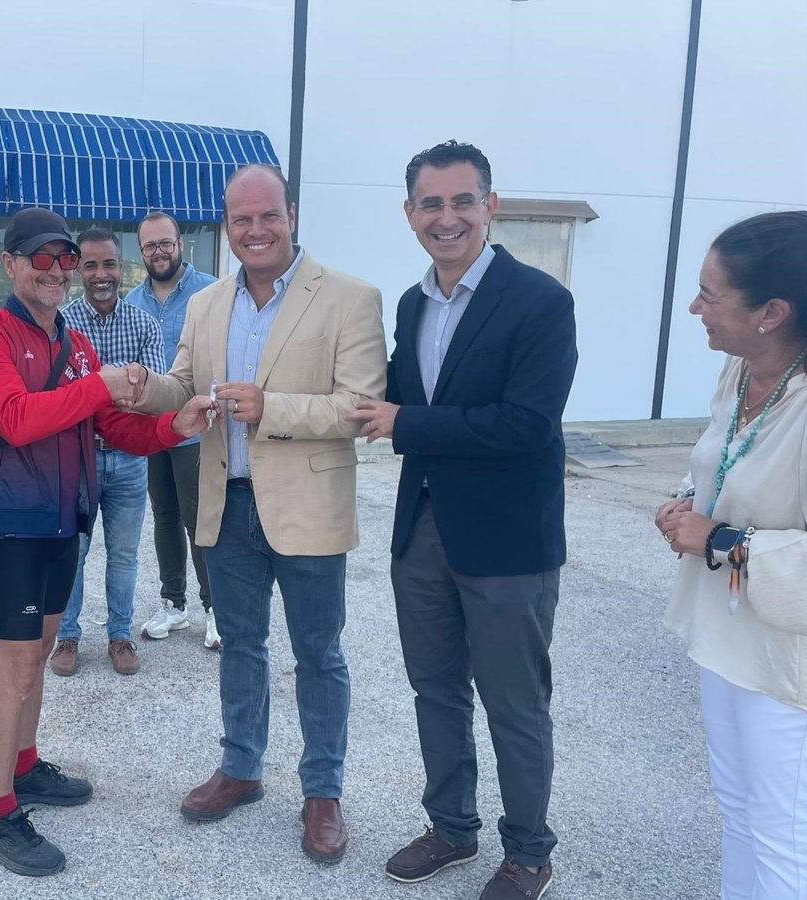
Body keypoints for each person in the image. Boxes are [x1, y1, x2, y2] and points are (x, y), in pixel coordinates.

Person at [127, 164, 386, 863]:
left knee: (319, 655)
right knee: (241, 646)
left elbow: (360, 406)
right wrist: (145, 388)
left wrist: (273, 409)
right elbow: (184, 383)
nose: (256, 229)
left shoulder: (351, 298)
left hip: (308, 509)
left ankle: (322, 792)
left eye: (268, 215)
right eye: (241, 219)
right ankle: (240, 768)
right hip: (227, 503)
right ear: (227, 226)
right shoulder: (207, 302)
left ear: (291, 215)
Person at [348, 140, 576, 899]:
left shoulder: (541, 301)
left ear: (490, 205)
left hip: (508, 542)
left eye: (462, 201)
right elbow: (387, 394)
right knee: (436, 691)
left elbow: (528, 425)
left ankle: (529, 853)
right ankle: (451, 827)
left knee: (515, 703)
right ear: (409, 213)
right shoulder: (413, 304)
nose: (446, 218)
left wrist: (405, 423)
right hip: (423, 530)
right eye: (431, 204)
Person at [0, 207, 211, 876]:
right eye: (41, 258)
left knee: (38, 654)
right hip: (13, 522)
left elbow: (114, 430)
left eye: (65, 258)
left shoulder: (75, 346)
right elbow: (16, 419)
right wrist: (98, 384)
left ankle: (26, 768)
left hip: (65, 518)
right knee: (15, 667)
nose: (58, 270)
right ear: (10, 264)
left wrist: (175, 426)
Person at [656, 211, 807, 900]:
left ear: (772, 312)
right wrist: (689, 500)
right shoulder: (741, 371)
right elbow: (724, 462)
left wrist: (720, 540)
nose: (695, 308)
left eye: (710, 295)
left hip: (786, 663)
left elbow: (735, 533)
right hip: (726, 634)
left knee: (784, 836)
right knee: (740, 814)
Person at [48, 228, 165, 677]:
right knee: (71, 552)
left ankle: (120, 635)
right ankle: (68, 636)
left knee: (124, 555)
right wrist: (116, 387)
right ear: (78, 269)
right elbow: (57, 397)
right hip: (75, 460)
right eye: (91, 264)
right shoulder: (60, 325)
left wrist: (92, 392)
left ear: (122, 267)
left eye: (110, 264)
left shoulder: (144, 325)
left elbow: (151, 395)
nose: (101, 274)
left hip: (130, 460)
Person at [125, 212, 220, 649]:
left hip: (196, 429)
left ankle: (215, 608)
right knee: (164, 515)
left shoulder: (212, 292)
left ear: (181, 244)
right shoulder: (132, 303)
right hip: (152, 430)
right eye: (150, 246)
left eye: (166, 243)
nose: (158, 251)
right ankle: (174, 604)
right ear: (141, 252)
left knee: (198, 517)